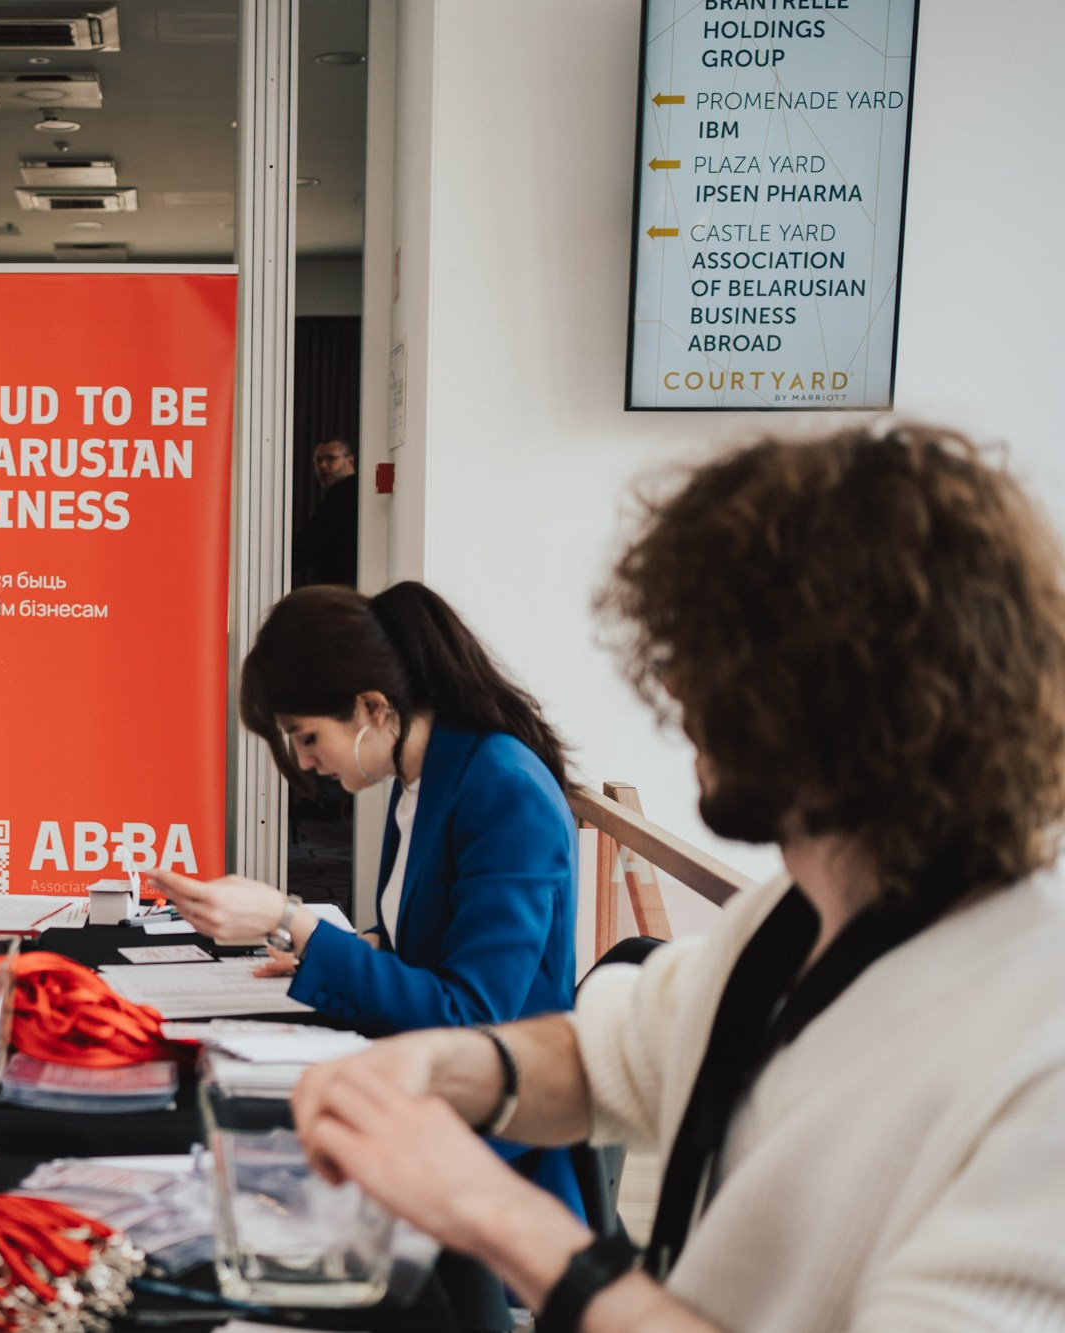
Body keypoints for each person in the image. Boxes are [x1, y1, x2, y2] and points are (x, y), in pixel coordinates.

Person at [291, 426, 1065, 1332]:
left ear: (833, 692)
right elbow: (608, 1056)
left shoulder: (1035, 1059)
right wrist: (438, 1064)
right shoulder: (787, 922)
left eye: (704, 655)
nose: (673, 686)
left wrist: (497, 1216)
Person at [152, 581, 581, 1213]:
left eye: (307, 737)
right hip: (425, 1092)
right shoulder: (424, 777)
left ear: (372, 708)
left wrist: (290, 919)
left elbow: (468, 1017)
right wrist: (333, 951)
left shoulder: (501, 789)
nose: (304, 762)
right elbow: (426, 939)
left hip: (487, 1137)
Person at [294, 437, 359, 587]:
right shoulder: (340, 492)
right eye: (318, 461)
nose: (323, 465)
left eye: (330, 459)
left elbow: (312, 542)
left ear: (350, 460)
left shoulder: (346, 493)